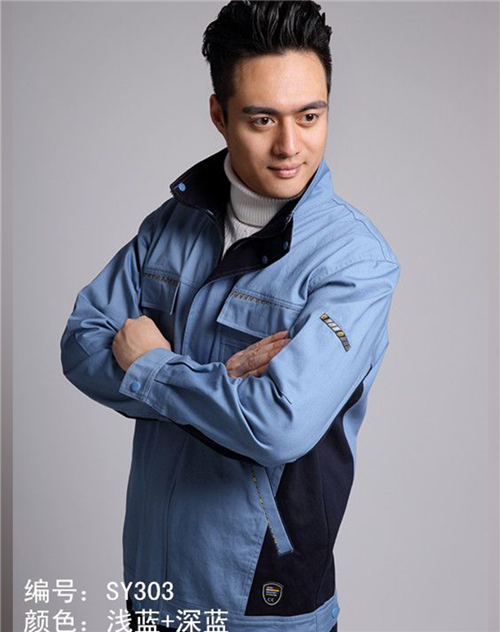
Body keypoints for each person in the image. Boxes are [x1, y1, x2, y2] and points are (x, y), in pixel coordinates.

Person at [60, 2, 401, 631]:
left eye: (310, 116)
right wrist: (218, 384)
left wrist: (153, 369)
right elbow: (81, 345)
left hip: (262, 603)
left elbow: (279, 425)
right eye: (262, 119)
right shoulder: (169, 227)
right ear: (219, 114)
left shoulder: (355, 264)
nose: (290, 145)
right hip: (153, 589)